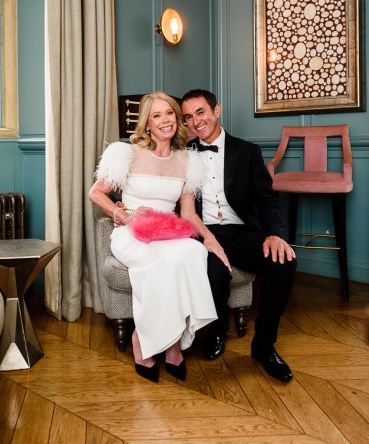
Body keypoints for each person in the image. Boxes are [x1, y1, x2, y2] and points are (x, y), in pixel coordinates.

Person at [89, 92, 223, 383]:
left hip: (167, 232)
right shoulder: (127, 154)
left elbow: (188, 214)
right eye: (157, 115)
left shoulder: (188, 161)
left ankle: (173, 344)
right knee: (162, 260)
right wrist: (122, 215)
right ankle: (144, 341)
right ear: (147, 124)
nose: (166, 121)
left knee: (192, 252)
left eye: (170, 114)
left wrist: (209, 238)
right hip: (131, 233)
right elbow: (96, 192)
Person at [181, 89, 297, 382]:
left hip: (241, 231)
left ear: (216, 110)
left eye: (200, 112)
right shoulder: (182, 156)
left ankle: (263, 346)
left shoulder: (247, 152)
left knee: (283, 263)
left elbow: (267, 200)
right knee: (216, 275)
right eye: (188, 117)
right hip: (204, 234)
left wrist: (274, 234)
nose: (195, 122)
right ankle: (217, 330)